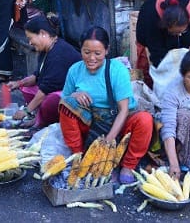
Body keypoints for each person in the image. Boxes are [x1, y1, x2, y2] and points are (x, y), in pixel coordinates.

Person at [59, 26, 153, 184]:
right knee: (67, 104)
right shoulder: (74, 70)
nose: (91, 58)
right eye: (86, 52)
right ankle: (78, 157)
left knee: (145, 120)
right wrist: (74, 95)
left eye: (97, 53)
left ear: (107, 50)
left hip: (118, 121)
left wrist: (108, 141)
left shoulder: (117, 70)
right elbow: (64, 100)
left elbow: (123, 110)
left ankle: (128, 166)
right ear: (80, 49)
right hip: (90, 124)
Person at [6, 15, 81, 128]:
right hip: (56, 88)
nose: (30, 43)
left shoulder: (58, 53)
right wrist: (18, 83)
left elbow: (46, 88)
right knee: (26, 87)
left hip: (75, 95)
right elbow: (38, 76)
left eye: (30, 38)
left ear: (43, 33)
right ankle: (38, 115)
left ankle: (43, 120)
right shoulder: (46, 49)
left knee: (50, 101)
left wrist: (26, 111)